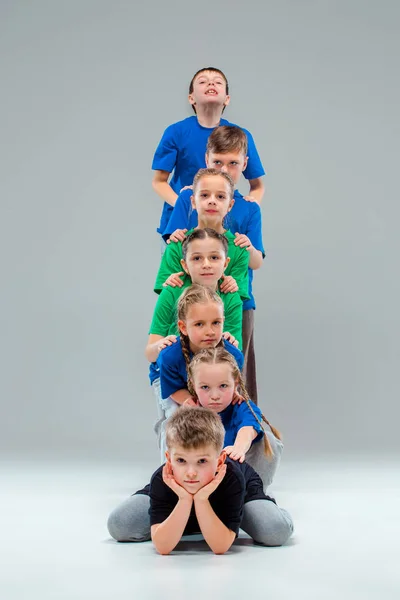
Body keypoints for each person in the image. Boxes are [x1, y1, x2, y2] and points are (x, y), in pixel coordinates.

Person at [163, 125, 265, 403]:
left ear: (244, 165)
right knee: (189, 373)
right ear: (206, 159)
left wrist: (248, 247)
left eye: (233, 164)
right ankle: (194, 438)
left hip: (236, 303)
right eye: (217, 162)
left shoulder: (247, 207)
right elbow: (177, 248)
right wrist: (174, 278)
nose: (225, 168)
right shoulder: (188, 197)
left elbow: (256, 261)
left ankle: (242, 441)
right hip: (191, 300)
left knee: (234, 375)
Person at [107, 407, 293, 554]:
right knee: (120, 525)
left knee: (274, 531)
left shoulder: (232, 478)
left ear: (219, 460)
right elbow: (163, 548)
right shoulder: (162, 478)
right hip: (177, 495)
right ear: (169, 459)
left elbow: (220, 547)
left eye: (202, 461)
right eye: (181, 460)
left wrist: (202, 499)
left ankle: (259, 508)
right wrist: (185, 499)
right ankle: (188, 518)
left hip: (235, 494)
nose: (191, 472)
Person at [146, 229, 244, 459]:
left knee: (223, 415)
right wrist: (161, 347)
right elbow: (150, 353)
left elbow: (232, 355)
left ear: (225, 262)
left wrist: (232, 343)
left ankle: (214, 469)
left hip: (210, 371)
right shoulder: (172, 291)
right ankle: (168, 472)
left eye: (214, 258)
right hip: (173, 372)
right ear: (185, 264)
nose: (206, 265)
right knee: (175, 417)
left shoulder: (230, 295)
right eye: (197, 258)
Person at [152, 67, 265, 238]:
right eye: (203, 81)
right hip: (180, 226)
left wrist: (251, 205)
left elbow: (257, 186)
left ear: (227, 99)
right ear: (191, 97)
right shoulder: (176, 132)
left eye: (218, 82)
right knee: (178, 262)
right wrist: (187, 205)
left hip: (224, 223)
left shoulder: (240, 136)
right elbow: (159, 182)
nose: (211, 83)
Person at [155, 284, 244, 462]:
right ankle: (170, 465)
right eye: (199, 324)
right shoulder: (170, 357)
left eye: (216, 323)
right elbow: (172, 389)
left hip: (208, 387)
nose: (210, 331)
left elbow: (232, 379)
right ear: (183, 327)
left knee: (221, 419)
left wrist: (233, 392)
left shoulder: (233, 356)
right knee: (174, 419)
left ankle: (214, 463)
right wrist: (189, 401)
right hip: (175, 387)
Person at [187, 347, 283, 490]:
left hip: (241, 471)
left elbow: (248, 429)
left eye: (223, 386)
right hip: (203, 479)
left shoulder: (243, 407)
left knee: (268, 440)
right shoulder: (190, 411)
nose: (215, 395)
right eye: (205, 387)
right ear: (194, 386)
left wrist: (238, 448)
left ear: (236, 384)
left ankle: (256, 491)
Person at [154, 169, 250, 303]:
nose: (212, 201)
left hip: (223, 322)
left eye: (220, 197)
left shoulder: (239, 249)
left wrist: (233, 285)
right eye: (204, 195)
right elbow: (167, 297)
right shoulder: (177, 244)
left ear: (230, 205)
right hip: (179, 322)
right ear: (193, 202)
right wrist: (170, 287)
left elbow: (234, 302)